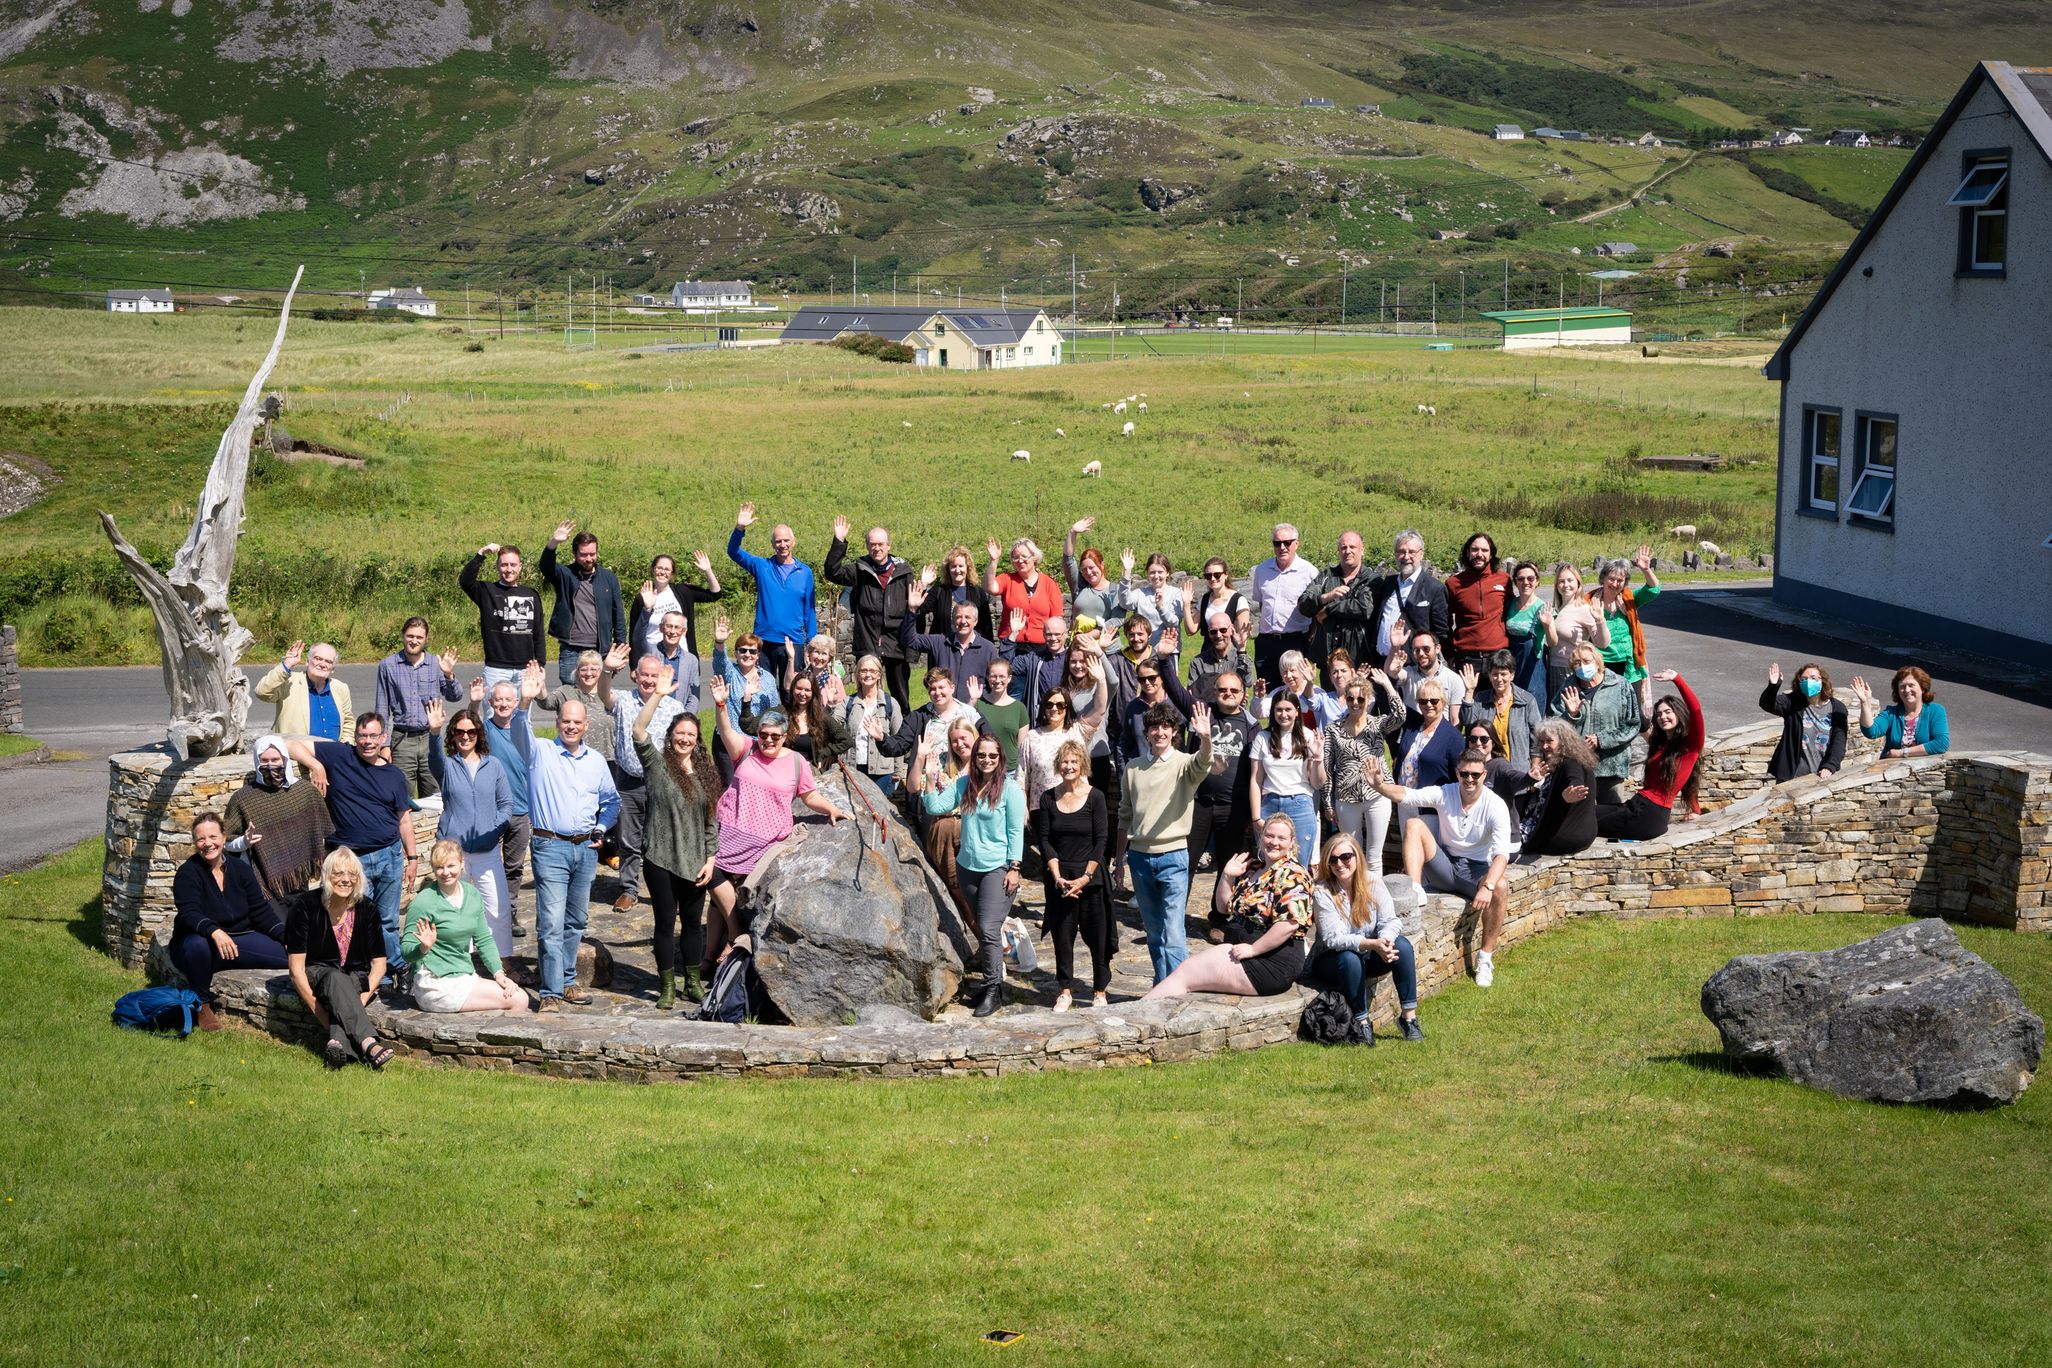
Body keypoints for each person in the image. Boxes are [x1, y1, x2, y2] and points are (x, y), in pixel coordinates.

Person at [705, 682, 852, 973]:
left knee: (728, 901)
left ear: (785, 737)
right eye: (763, 734)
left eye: (774, 736)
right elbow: (726, 732)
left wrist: (832, 809)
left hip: (764, 840)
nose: (768, 740)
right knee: (713, 880)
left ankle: (713, 958)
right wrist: (722, 706)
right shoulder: (747, 751)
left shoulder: (797, 762)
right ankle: (731, 938)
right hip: (729, 830)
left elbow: (809, 795)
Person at [505, 691, 620, 1012]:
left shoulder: (596, 762)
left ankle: (568, 981)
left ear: (585, 726)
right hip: (550, 846)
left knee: (576, 920)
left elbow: (612, 802)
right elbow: (518, 732)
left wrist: (600, 828)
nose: (570, 726)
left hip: (585, 848)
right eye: (565, 721)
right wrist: (524, 702)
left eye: (576, 722)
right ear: (556, 723)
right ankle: (551, 992)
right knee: (551, 922)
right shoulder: (540, 751)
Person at [287, 714, 419, 992]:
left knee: (388, 920)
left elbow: (404, 819)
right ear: (355, 736)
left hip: (389, 855)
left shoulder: (394, 775)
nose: (367, 742)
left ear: (383, 738)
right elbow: (290, 745)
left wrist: (413, 857)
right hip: (352, 861)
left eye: (373, 736)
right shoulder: (339, 755)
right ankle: (392, 968)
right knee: (357, 921)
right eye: (362, 736)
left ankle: (386, 972)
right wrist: (315, 765)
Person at [1372, 747, 1512, 988]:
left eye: (1475, 775)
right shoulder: (1446, 792)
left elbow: (1502, 854)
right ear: (1457, 773)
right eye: (1464, 774)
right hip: (1445, 865)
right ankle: (1415, 888)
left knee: (1500, 886)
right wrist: (1379, 786)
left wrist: (1487, 886)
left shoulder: (1495, 805)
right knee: (1414, 824)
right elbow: (1407, 795)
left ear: (1484, 775)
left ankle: (1485, 958)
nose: (1469, 780)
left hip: (1477, 871)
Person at [1145, 814, 1313, 1001]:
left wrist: (1253, 949)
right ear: (1261, 836)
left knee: (1186, 972)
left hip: (1271, 961)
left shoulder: (1293, 874)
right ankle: (1143, 1010)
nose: (1274, 842)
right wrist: (1227, 876)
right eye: (1269, 835)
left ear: (1291, 843)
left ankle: (1138, 1012)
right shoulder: (1254, 869)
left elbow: (1288, 924)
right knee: (1186, 973)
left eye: (1281, 838)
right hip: (1243, 950)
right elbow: (1224, 907)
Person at [921, 732, 1026, 1016]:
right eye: (982, 755)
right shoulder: (964, 784)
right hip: (968, 867)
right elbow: (935, 806)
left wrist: (1015, 868)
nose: (987, 760)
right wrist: (930, 777)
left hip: (998, 869)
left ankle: (993, 989)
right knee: (981, 927)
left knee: (989, 927)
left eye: (993, 755)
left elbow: (1016, 832)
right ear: (975, 758)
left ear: (1000, 758)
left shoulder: (1010, 790)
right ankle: (992, 983)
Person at [632, 670, 720, 1009]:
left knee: (693, 927)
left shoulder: (706, 775)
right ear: (670, 736)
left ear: (697, 740)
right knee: (665, 925)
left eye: (691, 735)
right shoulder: (656, 765)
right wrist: (658, 695)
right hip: (661, 860)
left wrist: (711, 859)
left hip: (696, 861)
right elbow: (638, 731)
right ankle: (667, 986)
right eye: (680, 733)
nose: (685, 739)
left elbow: (710, 822)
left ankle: (693, 983)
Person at [1119, 700, 1215, 983]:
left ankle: (1177, 987)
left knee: (1173, 933)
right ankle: (1162, 986)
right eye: (1154, 727)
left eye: (1165, 727)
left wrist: (1206, 737)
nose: (1159, 732)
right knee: (1154, 932)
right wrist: (1118, 861)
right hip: (1138, 857)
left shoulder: (1184, 764)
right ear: (1146, 732)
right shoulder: (1133, 768)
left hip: (1173, 855)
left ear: (1174, 731)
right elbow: (1124, 815)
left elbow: (1204, 762)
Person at [170, 812, 289, 1031]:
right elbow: (189, 912)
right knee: (197, 945)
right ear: (195, 842)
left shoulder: (241, 869)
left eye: (213, 837)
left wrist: (285, 935)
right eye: (201, 839)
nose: (208, 844)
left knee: (291, 954)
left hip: (238, 940)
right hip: (198, 944)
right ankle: (202, 1005)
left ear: (224, 837)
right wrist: (214, 931)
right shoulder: (188, 873)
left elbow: (260, 911)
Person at [1306, 832, 1422, 1042]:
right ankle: (1361, 1023)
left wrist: (1385, 940)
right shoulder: (1323, 892)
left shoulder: (1372, 881)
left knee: (1402, 946)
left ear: (1357, 857)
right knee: (1349, 958)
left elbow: (1391, 920)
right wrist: (1371, 944)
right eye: (1333, 860)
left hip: (1368, 954)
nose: (1339, 864)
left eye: (1345, 857)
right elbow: (1333, 939)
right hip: (1332, 960)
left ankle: (1409, 1018)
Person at [284, 847, 394, 1069]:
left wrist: (360, 999)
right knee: (335, 977)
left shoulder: (367, 908)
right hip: (318, 973)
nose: (346, 880)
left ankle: (337, 1044)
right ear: (326, 876)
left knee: (343, 981)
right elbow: (296, 971)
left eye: (352, 874)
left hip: (355, 978)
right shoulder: (305, 905)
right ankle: (369, 1042)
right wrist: (324, 1017)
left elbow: (380, 965)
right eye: (338, 874)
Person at [424, 699, 515, 955]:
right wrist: (434, 732)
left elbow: (506, 804)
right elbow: (433, 757)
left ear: (478, 734)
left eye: (471, 731)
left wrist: (494, 830)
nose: (465, 737)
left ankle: (504, 963)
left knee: (498, 909)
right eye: (460, 732)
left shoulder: (493, 765)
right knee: (454, 911)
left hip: (487, 852)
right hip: (454, 854)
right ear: (453, 735)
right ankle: (459, 963)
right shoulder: (447, 766)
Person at [401, 839, 528, 1014]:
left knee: (516, 996)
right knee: (520, 999)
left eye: (450, 866)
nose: (445, 872)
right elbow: (406, 951)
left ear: (462, 864)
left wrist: (498, 973)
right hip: (435, 982)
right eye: (439, 867)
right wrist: (422, 948)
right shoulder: (423, 902)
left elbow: (484, 939)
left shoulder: (472, 894)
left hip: (464, 975)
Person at [1036, 739, 1111, 1011]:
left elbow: (1102, 840)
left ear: (1082, 765)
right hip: (1061, 878)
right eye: (1064, 762)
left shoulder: (1096, 797)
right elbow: (1044, 840)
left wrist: (1085, 877)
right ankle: (1065, 990)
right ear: (1058, 765)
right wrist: (1057, 877)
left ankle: (1100, 991)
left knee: (1098, 937)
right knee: (1063, 936)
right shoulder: (1048, 797)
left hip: (1091, 879)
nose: (1068, 766)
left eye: (1073, 762)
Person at [606, 653, 684, 911]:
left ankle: (666, 889)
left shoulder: (673, 708)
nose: (649, 680)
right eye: (645, 675)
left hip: (662, 783)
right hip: (628, 780)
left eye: (654, 675)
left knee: (663, 837)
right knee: (629, 838)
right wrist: (606, 670)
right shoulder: (623, 700)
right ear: (635, 676)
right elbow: (603, 694)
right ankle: (629, 888)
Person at [221, 734, 332, 904]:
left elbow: (323, 830)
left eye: (275, 759)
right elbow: (227, 841)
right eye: (264, 760)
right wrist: (245, 842)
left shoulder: (304, 791)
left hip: (300, 878)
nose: (270, 765)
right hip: (264, 883)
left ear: (285, 760)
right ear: (257, 762)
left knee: (299, 927)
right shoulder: (243, 799)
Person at [1190, 672, 1258, 937]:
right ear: (1214, 692)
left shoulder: (1251, 726)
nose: (1228, 694)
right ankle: (1172, 916)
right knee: (1186, 861)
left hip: (1232, 806)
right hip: (1199, 802)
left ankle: (1218, 919)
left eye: (1234, 690)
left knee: (1228, 865)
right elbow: (1176, 692)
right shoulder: (1203, 714)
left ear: (1243, 694)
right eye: (1222, 690)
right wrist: (1163, 659)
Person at [1598, 671, 1703, 840]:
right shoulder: (1660, 745)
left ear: (1679, 713)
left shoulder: (1690, 746)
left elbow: (1696, 710)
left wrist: (1677, 679)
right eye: (1659, 714)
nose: (1663, 717)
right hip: (1639, 809)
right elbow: (1690, 782)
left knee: (1586, 818)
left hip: (1648, 815)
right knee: (1586, 815)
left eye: (1668, 712)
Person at [824, 517, 914, 713]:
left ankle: (903, 734)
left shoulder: (904, 572)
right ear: (867, 546)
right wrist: (839, 542)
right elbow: (832, 572)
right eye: (872, 544)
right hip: (867, 641)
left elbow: (914, 608)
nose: (877, 548)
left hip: (896, 643)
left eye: (881, 544)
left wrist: (911, 646)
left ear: (888, 545)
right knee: (866, 694)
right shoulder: (860, 569)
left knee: (901, 697)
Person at [1015, 657, 1112, 836]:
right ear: (1043, 708)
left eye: (1060, 705)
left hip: (1076, 806)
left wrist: (1101, 680)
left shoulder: (1077, 731)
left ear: (1067, 708)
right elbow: (1021, 779)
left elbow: (1099, 709)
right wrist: (1023, 810)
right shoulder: (1031, 737)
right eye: (1049, 704)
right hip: (1042, 808)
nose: (1054, 709)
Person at [1321, 669, 1404, 877]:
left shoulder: (1378, 725)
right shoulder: (1334, 729)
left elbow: (1401, 715)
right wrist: (1328, 803)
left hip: (1377, 796)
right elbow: (1327, 766)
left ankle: (1375, 901)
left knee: (1374, 856)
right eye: (1350, 698)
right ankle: (1354, 898)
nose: (1355, 703)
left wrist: (1388, 685)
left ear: (1368, 699)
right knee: (1350, 854)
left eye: (1360, 698)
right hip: (1346, 798)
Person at [726, 502, 817, 684]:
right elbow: (733, 552)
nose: (782, 545)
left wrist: (812, 644)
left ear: (793, 541)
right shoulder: (762, 566)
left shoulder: (805, 572)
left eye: (786, 540)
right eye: (778, 541)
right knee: (761, 690)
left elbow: (810, 610)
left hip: (793, 642)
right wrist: (740, 528)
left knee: (791, 691)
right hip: (763, 641)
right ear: (772, 544)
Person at [476, 674, 537, 939]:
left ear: (515, 703)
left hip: (521, 809)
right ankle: (483, 914)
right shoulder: (485, 730)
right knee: (485, 863)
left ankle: (509, 911)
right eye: (498, 700)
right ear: (491, 702)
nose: (503, 704)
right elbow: (471, 721)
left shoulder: (523, 729)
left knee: (514, 867)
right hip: (491, 809)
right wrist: (473, 702)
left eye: (508, 700)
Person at [372, 617, 461, 798]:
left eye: (419, 637)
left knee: (436, 794)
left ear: (426, 638)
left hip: (431, 738)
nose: (414, 641)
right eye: (410, 636)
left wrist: (449, 674)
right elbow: (381, 709)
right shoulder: (387, 666)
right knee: (401, 797)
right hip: (402, 740)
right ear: (403, 636)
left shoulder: (436, 665)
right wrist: (384, 745)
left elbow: (455, 696)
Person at [1550, 642, 1642, 806]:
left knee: (1611, 816)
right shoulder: (1568, 689)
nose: (1582, 666)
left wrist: (1602, 740)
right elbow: (1555, 727)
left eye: (1586, 661)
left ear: (1597, 662)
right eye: (1577, 663)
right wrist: (1571, 715)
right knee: (1583, 820)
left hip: (1611, 766)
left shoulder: (1620, 685)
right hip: (1579, 767)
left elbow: (1633, 724)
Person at [541, 519, 628, 686]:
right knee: (570, 694)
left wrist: (619, 649)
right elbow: (546, 567)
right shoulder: (565, 574)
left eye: (592, 554)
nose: (589, 559)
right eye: (584, 554)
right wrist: (554, 543)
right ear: (575, 554)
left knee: (599, 695)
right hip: (571, 649)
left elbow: (618, 615)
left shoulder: (608, 577)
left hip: (600, 649)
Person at [461, 542, 547, 694]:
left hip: (525, 670)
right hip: (496, 669)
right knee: (493, 715)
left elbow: (538, 632)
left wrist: (539, 664)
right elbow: (465, 581)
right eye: (504, 565)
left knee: (522, 716)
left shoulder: (531, 595)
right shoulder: (486, 591)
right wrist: (481, 554)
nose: (509, 569)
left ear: (520, 567)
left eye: (513, 565)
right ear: (497, 567)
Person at [1249, 692, 1324, 867]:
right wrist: (1256, 817)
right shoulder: (1263, 738)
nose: (1284, 714)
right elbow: (1255, 780)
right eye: (1279, 710)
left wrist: (1318, 758)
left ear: (1297, 711)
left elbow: (1317, 783)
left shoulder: (1308, 736)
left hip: (1300, 804)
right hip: (1270, 803)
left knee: (1299, 865)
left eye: (1288, 709)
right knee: (1268, 864)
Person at [901, 576, 999, 701]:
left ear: (976, 621)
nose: (963, 621)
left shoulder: (987, 648)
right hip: (944, 710)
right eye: (958, 617)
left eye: (967, 617)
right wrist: (912, 610)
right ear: (953, 620)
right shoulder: (940, 642)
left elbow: (996, 681)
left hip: (975, 711)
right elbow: (909, 639)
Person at [1591, 546, 1661, 717]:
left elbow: (1654, 590)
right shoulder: (1590, 601)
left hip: (1629, 665)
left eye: (1620, 580)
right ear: (1603, 579)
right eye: (1611, 579)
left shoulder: (1629, 599)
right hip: (1602, 665)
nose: (1615, 584)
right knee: (1606, 713)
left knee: (1634, 714)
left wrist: (1645, 569)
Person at [984, 535, 1062, 689]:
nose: (1020, 560)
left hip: (1042, 649)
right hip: (1013, 647)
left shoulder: (1049, 584)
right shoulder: (1007, 579)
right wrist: (994, 561)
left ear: (1034, 557)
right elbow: (990, 587)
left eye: (1024, 556)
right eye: (1015, 557)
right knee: (1014, 691)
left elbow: (1057, 618)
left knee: (1042, 691)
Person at [1299, 530, 1377, 680]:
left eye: (1352, 547)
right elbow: (1304, 604)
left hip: (1359, 662)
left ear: (1362, 550)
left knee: (1358, 702)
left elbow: (1364, 608)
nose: (1348, 551)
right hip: (1328, 663)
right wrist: (1326, 596)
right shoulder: (1326, 577)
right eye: (1343, 547)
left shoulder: (1372, 579)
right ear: (1338, 551)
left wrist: (1328, 609)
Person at [1250, 522, 1318, 689]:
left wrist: (1307, 638)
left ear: (1297, 543)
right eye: (1277, 543)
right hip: (1266, 643)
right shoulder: (1262, 570)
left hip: (1295, 640)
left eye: (1287, 543)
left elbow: (1316, 611)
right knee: (1269, 694)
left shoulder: (1309, 572)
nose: (1282, 547)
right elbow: (1261, 604)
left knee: (1297, 691)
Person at [1390, 680, 1463, 836]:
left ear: (1443, 702)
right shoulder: (1414, 727)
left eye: (1434, 701)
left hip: (1431, 808)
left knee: (1429, 855)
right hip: (1405, 800)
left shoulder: (1452, 736)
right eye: (1423, 701)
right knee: (1408, 850)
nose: (1428, 704)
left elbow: (1459, 776)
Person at [1370, 529, 1452, 666]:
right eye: (1401, 551)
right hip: (1381, 662)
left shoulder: (1435, 589)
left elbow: (1441, 633)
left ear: (1421, 554)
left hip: (1413, 667)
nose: (1406, 556)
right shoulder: (1388, 583)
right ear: (1395, 555)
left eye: (1411, 552)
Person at [535, 645, 627, 764]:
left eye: (594, 669)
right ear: (577, 672)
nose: (589, 673)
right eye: (583, 669)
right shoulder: (566, 692)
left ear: (601, 671)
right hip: (573, 758)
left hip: (609, 760)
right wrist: (540, 686)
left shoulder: (610, 695)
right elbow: (546, 702)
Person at [1761, 661, 1849, 783]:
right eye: (1804, 679)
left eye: (1813, 678)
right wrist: (1773, 686)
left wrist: (1830, 766)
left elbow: (1839, 741)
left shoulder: (1837, 708)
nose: (1808, 682)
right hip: (1791, 774)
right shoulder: (1792, 702)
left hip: (1821, 774)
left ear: (1822, 681)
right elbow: (1767, 704)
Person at [1519, 720, 1597, 858]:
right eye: (1541, 741)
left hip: (1563, 835)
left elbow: (1574, 778)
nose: (1544, 746)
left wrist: (1570, 793)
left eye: (1550, 741)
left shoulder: (1570, 762)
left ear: (1564, 742)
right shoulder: (1557, 762)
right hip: (1578, 834)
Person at [629, 550, 722, 662]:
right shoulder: (643, 597)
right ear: (653, 570)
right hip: (652, 660)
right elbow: (634, 634)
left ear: (672, 573)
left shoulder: (683, 592)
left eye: (667, 569)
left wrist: (708, 570)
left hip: (682, 658)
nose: (662, 572)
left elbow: (715, 594)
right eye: (659, 568)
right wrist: (634, 665)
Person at [254, 639, 354, 741]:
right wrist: (287, 664)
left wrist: (346, 747)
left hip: (333, 754)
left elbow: (348, 723)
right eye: (318, 658)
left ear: (333, 668)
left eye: (328, 661)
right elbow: (262, 692)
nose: (322, 664)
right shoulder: (289, 681)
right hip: (294, 754)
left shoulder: (341, 688)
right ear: (307, 661)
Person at [1459, 649, 1542, 768]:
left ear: (1512, 675)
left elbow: (1537, 739)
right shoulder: (1480, 698)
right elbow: (1467, 722)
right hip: (1487, 770)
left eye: (1503, 674)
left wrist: (1534, 770)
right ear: (1489, 675)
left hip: (1518, 772)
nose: (1499, 679)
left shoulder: (1527, 701)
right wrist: (1469, 692)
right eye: (1495, 674)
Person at [838, 654, 905, 798]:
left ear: (879, 675)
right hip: (853, 766)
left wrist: (898, 771)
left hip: (881, 771)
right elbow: (832, 726)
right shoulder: (848, 702)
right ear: (857, 674)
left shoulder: (891, 704)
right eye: (863, 671)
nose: (868, 674)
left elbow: (899, 739)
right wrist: (831, 704)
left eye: (872, 671)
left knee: (877, 811)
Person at [1852, 666, 1950, 760]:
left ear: (1923, 688)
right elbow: (1871, 732)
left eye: (1911, 685)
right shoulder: (1891, 713)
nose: (1907, 690)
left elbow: (1941, 743)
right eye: (1902, 687)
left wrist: (1901, 753)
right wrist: (1865, 702)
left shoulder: (1935, 711)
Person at [1543, 564, 1609, 702]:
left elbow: (1602, 643)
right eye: (1561, 581)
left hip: (1572, 671)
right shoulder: (1557, 609)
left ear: (1578, 583)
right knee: (1556, 715)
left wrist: (1600, 620)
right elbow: (1552, 642)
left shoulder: (1584, 609)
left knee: (1571, 714)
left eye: (1570, 580)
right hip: (1554, 668)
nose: (1565, 585)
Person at [1445, 532, 1510, 671]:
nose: (1479, 554)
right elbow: (1445, 622)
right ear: (1468, 552)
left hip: (1498, 655)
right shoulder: (1453, 583)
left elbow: (1512, 612)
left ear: (1491, 554)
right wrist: (1449, 654)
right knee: (1467, 694)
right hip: (1466, 658)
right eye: (1475, 549)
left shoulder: (1504, 580)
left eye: (1484, 550)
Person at [1062, 518, 1134, 627]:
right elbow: (1068, 561)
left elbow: (1117, 620)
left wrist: (1090, 635)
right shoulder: (1079, 586)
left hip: (1104, 643)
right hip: (1078, 643)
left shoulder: (1115, 590)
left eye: (1091, 567)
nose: (1088, 572)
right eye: (1084, 569)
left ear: (1102, 564)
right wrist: (1072, 532)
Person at [1387, 626, 1465, 724]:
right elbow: (1390, 672)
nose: (1421, 654)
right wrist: (1395, 647)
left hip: (1440, 734)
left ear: (1437, 648)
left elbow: (1455, 720)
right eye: (1416, 650)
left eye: (1426, 649)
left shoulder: (1454, 679)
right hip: (1412, 732)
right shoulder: (1409, 673)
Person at [916, 545, 991, 641]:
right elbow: (918, 610)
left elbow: (986, 626)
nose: (957, 570)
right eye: (953, 566)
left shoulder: (978, 593)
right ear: (948, 569)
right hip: (943, 649)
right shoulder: (939, 591)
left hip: (971, 650)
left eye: (961, 566)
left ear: (968, 568)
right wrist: (923, 584)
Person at [782, 671, 853, 771]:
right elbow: (753, 725)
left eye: (807, 690)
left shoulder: (821, 717)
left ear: (813, 692)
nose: (802, 693)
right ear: (793, 689)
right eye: (799, 688)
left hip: (810, 772)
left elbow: (847, 741)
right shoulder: (781, 712)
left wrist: (825, 752)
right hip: (784, 769)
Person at [1502, 560, 1552, 699]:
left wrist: (1547, 625)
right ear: (1515, 582)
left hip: (1533, 667)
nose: (1526, 582)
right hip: (1512, 664)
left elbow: (1553, 642)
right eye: (1521, 578)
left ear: (1537, 581)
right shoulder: (1510, 604)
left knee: (1533, 701)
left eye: (1530, 578)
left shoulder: (1542, 607)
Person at [970, 659, 1028, 770]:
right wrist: (972, 701)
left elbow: (1022, 747)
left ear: (1009, 678)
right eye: (993, 676)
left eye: (1002, 676)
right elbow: (964, 726)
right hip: (984, 767)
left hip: (1010, 769)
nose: (997, 680)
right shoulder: (978, 704)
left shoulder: (1019, 708)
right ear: (987, 677)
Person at [1188, 611, 1253, 707]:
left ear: (1231, 629)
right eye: (1213, 632)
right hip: (1208, 714)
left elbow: (1248, 682)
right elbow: (1192, 695)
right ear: (1209, 633)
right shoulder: (1198, 662)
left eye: (1223, 630)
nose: (1218, 635)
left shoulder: (1241, 658)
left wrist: (1241, 649)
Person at [1184, 555, 1252, 646]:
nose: (1212, 578)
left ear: (1226, 575)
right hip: (1207, 654)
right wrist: (1186, 604)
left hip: (1230, 653)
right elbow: (1191, 630)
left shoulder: (1239, 601)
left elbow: (1242, 637)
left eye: (1217, 575)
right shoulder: (1204, 599)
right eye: (1208, 576)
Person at [1128, 553, 1187, 655]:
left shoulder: (1176, 593)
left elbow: (1174, 623)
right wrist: (1126, 572)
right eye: (1152, 572)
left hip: (1169, 650)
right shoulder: (1140, 593)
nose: (1156, 576)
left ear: (1167, 572)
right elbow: (1125, 602)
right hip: (1144, 650)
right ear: (1147, 573)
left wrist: (1160, 607)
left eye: (1160, 572)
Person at [647, 610, 702, 712]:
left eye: (677, 627)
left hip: (679, 718)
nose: (672, 632)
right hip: (652, 716)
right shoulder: (649, 654)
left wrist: (686, 719)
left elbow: (694, 696)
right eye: (669, 626)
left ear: (684, 631)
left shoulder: (691, 660)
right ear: (661, 628)